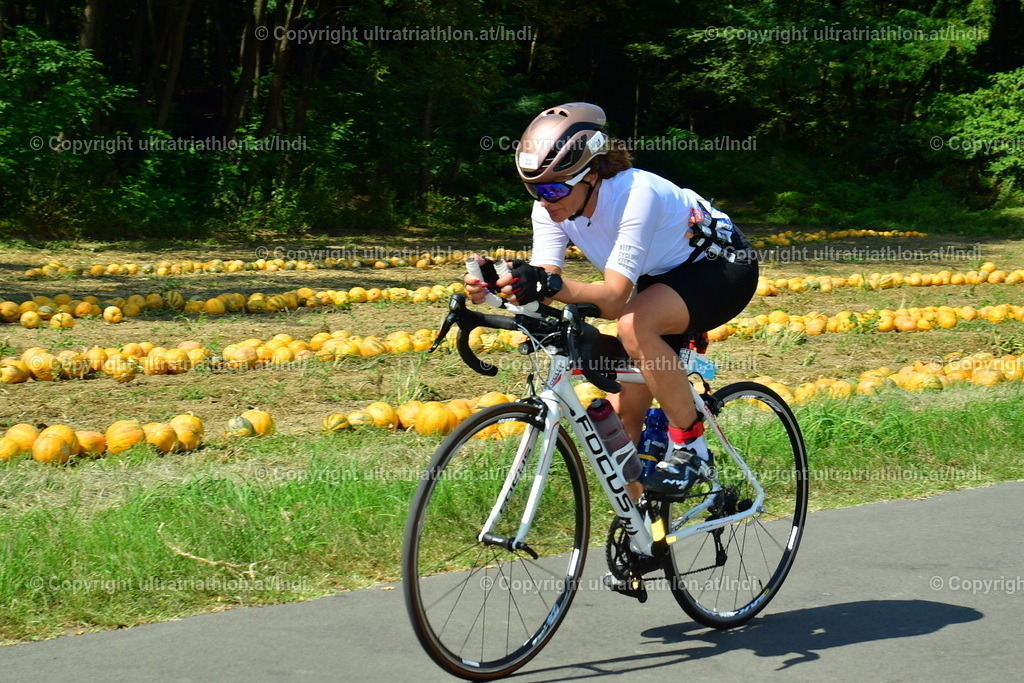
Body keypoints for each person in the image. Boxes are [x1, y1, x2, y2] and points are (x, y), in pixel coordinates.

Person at [464, 102, 758, 499]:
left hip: (719, 267)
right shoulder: (549, 207)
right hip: (656, 277)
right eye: (534, 189)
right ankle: (639, 537)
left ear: (591, 174)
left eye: (553, 189)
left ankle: (692, 450)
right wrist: (506, 288)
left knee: (635, 324)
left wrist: (546, 285)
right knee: (623, 420)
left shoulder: (637, 194)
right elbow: (544, 284)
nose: (544, 200)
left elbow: (615, 299)